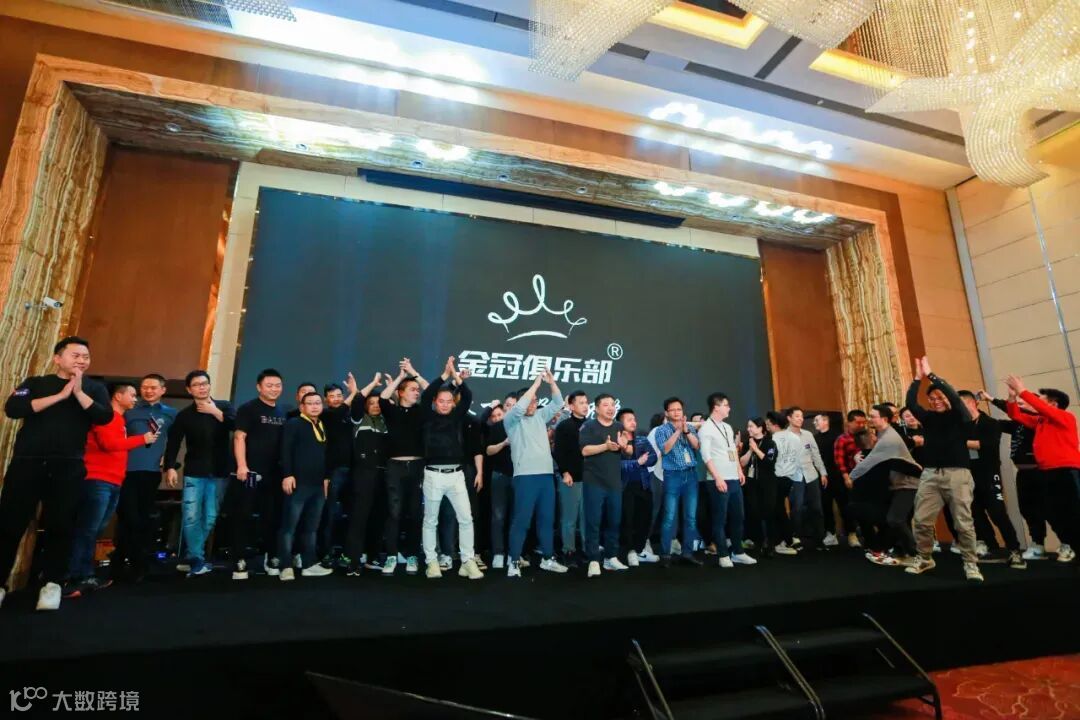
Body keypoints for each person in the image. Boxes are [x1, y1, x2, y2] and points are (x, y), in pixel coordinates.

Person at [0, 337, 113, 611]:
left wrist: (78, 393)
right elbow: (13, 408)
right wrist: (61, 396)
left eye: (86, 356)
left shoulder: (95, 388)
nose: (81, 360)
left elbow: (104, 417)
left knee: (60, 525)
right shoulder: (36, 383)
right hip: (27, 463)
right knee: (9, 524)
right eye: (75, 355)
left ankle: (52, 584)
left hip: (68, 466)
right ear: (57, 358)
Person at [65, 382, 159, 598]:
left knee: (95, 530)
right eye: (132, 395)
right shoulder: (106, 417)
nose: (135, 399)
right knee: (88, 529)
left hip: (113, 480)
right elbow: (108, 443)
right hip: (97, 479)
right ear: (118, 396)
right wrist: (141, 439)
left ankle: (83, 574)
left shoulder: (120, 420)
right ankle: (76, 575)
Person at [904, 356, 982, 581]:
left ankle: (970, 563)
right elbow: (911, 403)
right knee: (921, 520)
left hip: (958, 474)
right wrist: (917, 379)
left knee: (963, 523)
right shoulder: (928, 418)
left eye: (939, 397)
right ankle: (925, 557)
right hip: (930, 474)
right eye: (932, 398)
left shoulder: (959, 416)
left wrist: (931, 376)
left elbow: (955, 399)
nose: (935, 400)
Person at [163, 370, 236, 577]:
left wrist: (215, 412)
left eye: (205, 383)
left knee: (210, 517)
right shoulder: (184, 415)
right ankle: (196, 558)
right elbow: (174, 442)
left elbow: (236, 426)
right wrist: (170, 466)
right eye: (196, 385)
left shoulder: (224, 406)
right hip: (194, 471)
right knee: (191, 515)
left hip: (220, 470)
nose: (202, 387)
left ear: (210, 385)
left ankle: (193, 555)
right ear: (189, 389)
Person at [416, 357, 483, 580]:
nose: (445, 404)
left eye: (449, 401)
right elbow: (426, 395)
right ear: (435, 402)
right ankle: (432, 562)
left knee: (466, 519)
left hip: (456, 475)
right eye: (441, 401)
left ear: (453, 403)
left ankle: (467, 561)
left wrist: (456, 377)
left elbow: (468, 396)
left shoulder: (457, 417)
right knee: (430, 520)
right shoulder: (427, 416)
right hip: (433, 475)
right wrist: (445, 375)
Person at [1003, 376, 1080, 563]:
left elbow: (1039, 406)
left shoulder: (1065, 417)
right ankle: (1071, 546)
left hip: (1066, 471)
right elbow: (1016, 415)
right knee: (1053, 512)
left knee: (1073, 512)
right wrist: (1012, 397)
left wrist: (1022, 390)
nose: (1036, 403)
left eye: (1042, 400)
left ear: (1053, 404)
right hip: (1047, 472)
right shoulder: (1040, 422)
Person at [503, 370, 568, 577]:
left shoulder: (541, 415)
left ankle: (548, 559)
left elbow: (558, 402)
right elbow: (520, 406)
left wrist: (552, 382)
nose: (532, 405)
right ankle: (514, 561)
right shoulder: (512, 420)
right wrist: (536, 384)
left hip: (546, 477)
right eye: (529, 401)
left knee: (547, 520)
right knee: (522, 520)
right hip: (525, 478)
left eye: (535, 401)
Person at [112, 373, 176, 582]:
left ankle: (139, 563)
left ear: (163, 390)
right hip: (126, 471)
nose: (148, 391)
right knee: (127, 517)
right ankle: (120, 560)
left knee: (144, 518)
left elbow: (175, 442)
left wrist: (170, 464)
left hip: (151, 472)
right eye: (145, 387)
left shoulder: (171, 414)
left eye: (153, 387)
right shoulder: (129, 410)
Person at [231, 368, 287, 579]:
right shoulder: (248, 409)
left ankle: (271, 557)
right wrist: (242, 465)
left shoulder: (282, 412)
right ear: (259, 387)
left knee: (271, 517)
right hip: (251, 473)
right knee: (244, 515)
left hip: (275, 474)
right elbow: (239, 437)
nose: (274, 389)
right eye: (269, 385)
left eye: (278, 385)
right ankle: (240, 560)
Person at [958, 390, 1024, 568]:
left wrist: (957, 441)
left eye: (963, 403)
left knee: (997, 511)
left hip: (988, 472)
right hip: (967, 473)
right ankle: (990, 545)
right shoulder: (959, 425)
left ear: (974, 403)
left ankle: (1014, 549)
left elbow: (986, 445)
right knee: (974, 511)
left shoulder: (990, 423)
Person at [850, 404, 921, 566]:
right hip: (898, 484)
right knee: (897, 520)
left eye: (873, 416)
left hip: (907, 483)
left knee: (895, 519)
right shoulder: (882, 434)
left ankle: (917, 554)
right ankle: (904, 553)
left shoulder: (888, 438)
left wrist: (851, 476)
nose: (870, 419)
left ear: (884, 419)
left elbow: (869, 462)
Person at [983, 390, 1049, 561]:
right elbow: (993, 423)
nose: (1018, 405)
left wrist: (991, 399)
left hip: (1040, 472)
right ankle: (1038, 545)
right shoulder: (1016, 424)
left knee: (1048, 509)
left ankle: (1067, 544)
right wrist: (971, 410)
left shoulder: (1038, 421)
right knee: (1027, 509)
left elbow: (1011, 409)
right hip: (1023, 473)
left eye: (1022, 403)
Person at [378, 358, 430, 575]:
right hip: (395, 467)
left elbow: (431, 391)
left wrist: (413, 372)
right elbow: (382, 398)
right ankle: (391, 555)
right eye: (412, 389)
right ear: (400, 393)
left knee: (415, 513)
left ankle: (411, 556)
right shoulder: (392, 411)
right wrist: (400, 377)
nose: (417, 392)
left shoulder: (421, 411)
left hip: (417, 466)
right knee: (394, 512)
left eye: (417, 390)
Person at [277, 392, 334, 581]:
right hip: (298, 483)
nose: (315, 406)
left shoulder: (321, 424)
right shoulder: (294, 423)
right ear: (302, 407)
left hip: (318, 485)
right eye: (310, 403)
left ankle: (309, 564)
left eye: (318, 403)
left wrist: (326, 478)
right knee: (289, 526)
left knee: (311, 527)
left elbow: (324, 455)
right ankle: (285, 566)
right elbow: (286, 450)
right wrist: (287, 474)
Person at [698, 393, 756, 568]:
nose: (729, 408)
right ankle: (723, 555)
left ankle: (738, 552)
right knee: (719, 518)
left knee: (738, 516)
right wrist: (717, 478)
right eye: (726, 405)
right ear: (716, 407)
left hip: (733, 479)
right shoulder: (706, 428)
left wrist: (739, 470)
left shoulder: (727, 427)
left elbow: (732, 451)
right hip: (718, 480)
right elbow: (705, 456)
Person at [435, 379, 485, 573]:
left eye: (456, 397)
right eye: (447, 398)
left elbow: (477, 449)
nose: (452, 401)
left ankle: (470, 555)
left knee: (470, 514)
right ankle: (447, 554)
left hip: (468, 469)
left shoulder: (473, 420)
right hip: (446, 468)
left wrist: (479, 472)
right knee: (447, 513)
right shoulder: (441, 419)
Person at [343, 373, 388, 575]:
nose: (376, 406)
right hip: (363, 475)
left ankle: (372, 557)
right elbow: (358, 400)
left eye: (379, 403)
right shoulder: (359, 419)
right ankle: (353, 560)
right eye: (372, 403)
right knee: (359, 518)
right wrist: (373, 383)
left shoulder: (386, 422)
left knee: (378, 518)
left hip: (383, 476)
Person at [580, 393, 629, 577]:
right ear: (597, 408)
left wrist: (625, 446)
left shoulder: (619, 426)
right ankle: (593, 560)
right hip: (594, 481)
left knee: (614, 521)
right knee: (593, 521)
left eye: (612, 404)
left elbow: (628, 450)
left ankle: (611, 557)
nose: (610, 408)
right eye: (606, 405)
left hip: (614, 482)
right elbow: (585, 450)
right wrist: (606, 446)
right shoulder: (589, 426)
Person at [654, 397, 703, 567]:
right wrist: (677, 431)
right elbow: (665, 449)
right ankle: (665, 554)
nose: (676, 412)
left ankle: (687, 553)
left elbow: (697, 446)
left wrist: (686, 431)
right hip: (672, 476)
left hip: (691, 475)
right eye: (673, 410)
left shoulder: (690, 428)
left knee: (690, 517)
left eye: (679, 409)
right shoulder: (661, 430)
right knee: (669, 516)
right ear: (666, 413)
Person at [317, 380, 358, 566]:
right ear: (325, 400)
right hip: (333, 471)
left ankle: (347, 554)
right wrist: (354, 392)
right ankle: (326, 552)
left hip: (353, 470)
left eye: (339, 396)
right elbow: (340, 410)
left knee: (352, 514)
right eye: (332, 396)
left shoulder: (349, 415)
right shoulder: (325, 415)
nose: (336, 399)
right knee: (330, 514)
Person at [617, 408, 659, 566]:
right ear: (620, 423)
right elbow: (617, 465)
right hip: (625, 486)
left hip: (643, 485)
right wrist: (637, 462)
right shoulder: (615, 441)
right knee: (628, 520)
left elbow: (653, 457)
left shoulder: (641, 439)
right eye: (629, 420)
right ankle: (630, 552)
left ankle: (640, 549)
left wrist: (642, 461)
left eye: (634, 419)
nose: (633, 422)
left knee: (644, 518)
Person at [784, 407, 829, 550]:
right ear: (789, 418)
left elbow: (816, 455)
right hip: (794, 476)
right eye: (797, 416)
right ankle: (795, 537)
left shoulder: (808, 434)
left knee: (816, 508)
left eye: (802, 416)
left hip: (811, 475)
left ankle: (819, 539)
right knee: (797, 508)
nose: (800, 419)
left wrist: (823, 472)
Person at [553, 390, 589, 567]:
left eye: (586, 402)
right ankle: (568, 550)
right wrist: (565, 472)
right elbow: (558, 452)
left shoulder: (591, 425)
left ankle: (586, 550)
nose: (585, 405)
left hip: (589, 479)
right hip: (571, 478)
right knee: (569, 518)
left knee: (586, 517)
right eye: (581, 402)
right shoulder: (564, 426)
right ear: (571, 406)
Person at [741, 417, 781, 558]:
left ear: (760, 428)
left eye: (751, 426)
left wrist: (756, 449)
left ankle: (770, 544)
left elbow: (769, 462)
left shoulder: (770, 443)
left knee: (769, 513)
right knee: (754, 512)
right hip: (752, 483)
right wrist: (750, 450)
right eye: (748, 426)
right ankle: (758, 542)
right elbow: (742, 463)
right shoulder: (748, 443)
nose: (748, 429)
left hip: (768, 483)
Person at [485, 397, 516, 569]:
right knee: (498, 516)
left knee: (516, 517)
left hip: (519, 476)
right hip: (499, 476)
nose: (511, 408)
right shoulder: (497, 427)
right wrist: (504, 443)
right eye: (508, 406)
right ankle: (498, 552)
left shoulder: (522, 425)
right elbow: (488, 450)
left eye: (514, 405)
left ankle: (513, 553)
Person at [831, 410, 867, 548]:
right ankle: (851, 534)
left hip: (864, 477)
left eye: (863, 422)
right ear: (849, 423)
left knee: (863, 506)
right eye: (858, 422)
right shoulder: (842, 439)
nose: (861, 425)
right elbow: (839, 461)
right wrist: (847, 478)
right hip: (847, 477)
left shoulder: (866, 437)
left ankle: (866, 534)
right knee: (847, 506)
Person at [767, 411, 800, 555]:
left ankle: (785, 539)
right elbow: (798, 458)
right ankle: (788, 538)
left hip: (776, 477)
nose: (767, 427)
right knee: (779, 508)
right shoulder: (795, 437)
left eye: (768, 424)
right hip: (789, 478)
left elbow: (770, 460)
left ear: (775, 425)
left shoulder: (772, 439)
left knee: (777, 510)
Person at [814, 413, 847, 548]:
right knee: (825, 505)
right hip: (823, 476)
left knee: (844, 504)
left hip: (838, 476)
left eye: (817, 420)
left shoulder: (838, 436)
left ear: (825, 421)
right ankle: (830, 533)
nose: (814, 423)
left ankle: (851, 533)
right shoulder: (814, 438)